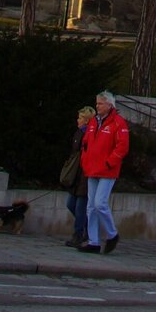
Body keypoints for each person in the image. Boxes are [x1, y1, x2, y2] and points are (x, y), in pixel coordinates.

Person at [79, 90, 130, 254]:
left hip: (107, 170)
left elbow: (122, 147)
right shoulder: (94, 121)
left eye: (100, 103)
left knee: (100, 203)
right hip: (92, 168)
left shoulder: (118, 123)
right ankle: (93, 241)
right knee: (91, 206)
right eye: (97, 103)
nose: (97, 106)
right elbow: (86, 142)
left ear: (109, 104)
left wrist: (110, 162)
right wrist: (85, 160)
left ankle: (112, 234)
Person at [63, 106, 93, 248]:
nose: (78, 120)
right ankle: (87, 227)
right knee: (71, 204)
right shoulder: (78, 133)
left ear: (86, 121)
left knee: (80, 206)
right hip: (77, 173)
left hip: (85, 175)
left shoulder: (90, 135)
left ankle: (79, 233)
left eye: (80, 118)